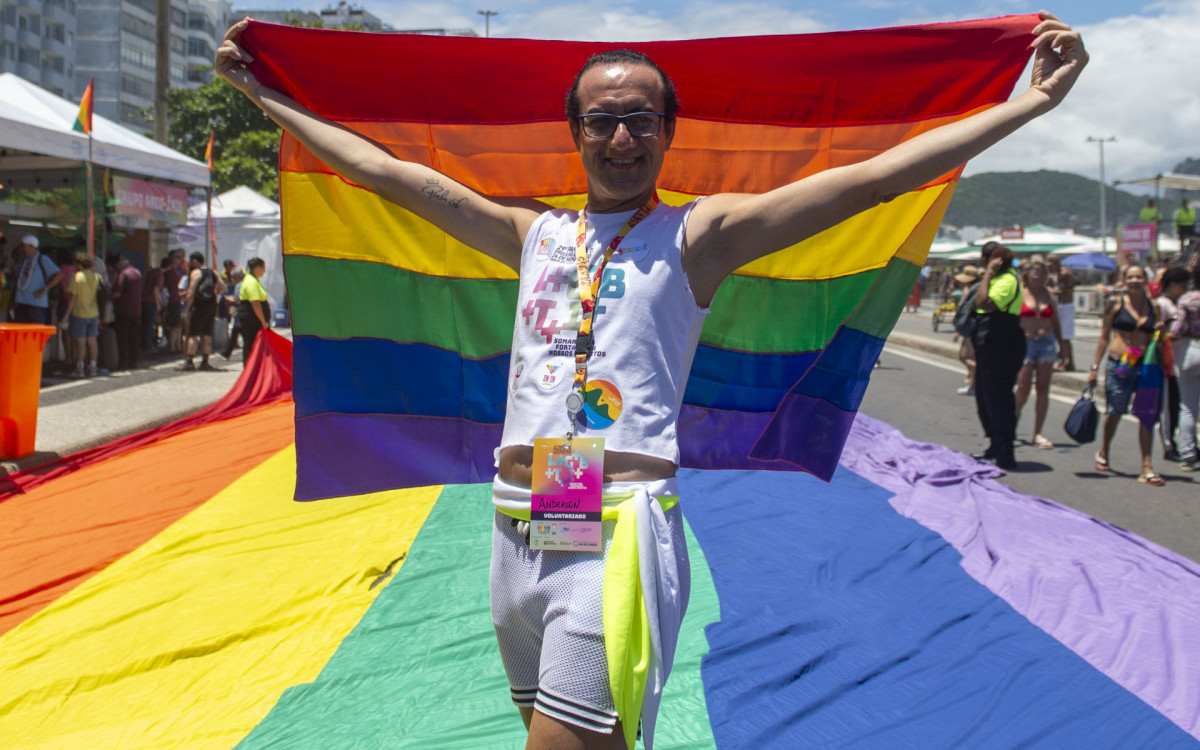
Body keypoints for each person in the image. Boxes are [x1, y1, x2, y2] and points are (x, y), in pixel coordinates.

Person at [217, 13, 1086, 749]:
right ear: (577, 133)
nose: (621, 136)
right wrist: (267, 100)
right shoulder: (533, 236)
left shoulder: (698, 236)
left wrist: (1028, 107)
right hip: (515, 531)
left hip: (616, 533)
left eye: (640, 119)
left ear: (670, 130)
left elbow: (869, 180)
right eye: (602, 121)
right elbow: (388, 174)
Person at [1087, 264, 1164, 485]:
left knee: (1147, 414)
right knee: (1115, 411)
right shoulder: (1115, 303)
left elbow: (1156, 338)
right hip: (1118, 366)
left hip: (1145, 367)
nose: (1134, 281)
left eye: (1139, 277)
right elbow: (1104, 336)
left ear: (1145, 280)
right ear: (1124, 280)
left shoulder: (1154, 307)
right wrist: (1094, 368)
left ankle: (1147, 466)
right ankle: (1103, 450)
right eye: (1130, 277)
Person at [970, 242, 1024, 469]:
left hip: (1003, 342)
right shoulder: (996, 279)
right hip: (988, 341)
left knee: (1000, 398)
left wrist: (988, 273)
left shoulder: (1007, 280)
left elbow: (983, 302)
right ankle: (994, 444)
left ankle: (1006, 451)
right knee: (985, 397)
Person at [1014, 260, 1063, 450]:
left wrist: (1063, 346)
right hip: (1025, 343)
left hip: (1046, 343)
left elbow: (1056, 321)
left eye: (1042, 274)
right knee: (1023, 388)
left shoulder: (1048, 294)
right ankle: (1012, 426)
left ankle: (1038, 432)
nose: (1039, 277)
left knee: (1043, 389)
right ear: (1027, 274)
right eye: (1035, 273)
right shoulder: (1019, 293)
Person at [1157, 266, 1190, 461]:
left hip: (1183, 361)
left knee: (1185, 406)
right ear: (1171, 284)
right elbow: (1157, 334)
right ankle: (1169, 445)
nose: (1186, 287)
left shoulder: (1183, 302)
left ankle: (1187, 443)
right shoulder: (1162, 304)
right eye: (1182, 284)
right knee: (1169, 407)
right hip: (1168, 362)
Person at [1171, 263, 1200, 471]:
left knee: (1188, 407)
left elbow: (1177, 330)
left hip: (1191, 349)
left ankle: (1188, 453)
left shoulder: (1187, 299)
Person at [59, 253, 103, 377]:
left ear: (79, 264)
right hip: (94, 312)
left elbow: (72, 297)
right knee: (92, 340)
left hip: (79, 313)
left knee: (80, 342)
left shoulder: (77, 277)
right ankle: (93, 367)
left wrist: (66, 316)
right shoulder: (96, 277)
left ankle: (80, 368)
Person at [181, 252, 227, 371]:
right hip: (211, 305)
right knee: (207, 334)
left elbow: (191, 292)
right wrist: (215, 293)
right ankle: (205, 361)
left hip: (199, 306)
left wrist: (186, 309)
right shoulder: (213, 272)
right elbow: (223, 288)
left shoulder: (196, 273)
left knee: (193, 334)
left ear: (195, 261)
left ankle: (189, 361)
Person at [10, 235, 61, 325]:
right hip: (21, 303)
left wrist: (44, 289)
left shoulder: (42, 259)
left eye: (23, 246)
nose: (22, 249)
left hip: (36, 304)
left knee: (35, 331)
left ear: (32, 246)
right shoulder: (23, 260)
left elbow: (58, 275)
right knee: (21, 330)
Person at [107, 254, 142, 371]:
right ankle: (134, 361)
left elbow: (117, 293)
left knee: (122, 338)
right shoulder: (137, 272)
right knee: (134, 338)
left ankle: (123, 363)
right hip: (136, 310)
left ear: (119, 263)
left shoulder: (123, 274)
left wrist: (106, 298)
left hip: (124, 310)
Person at [952, 264, 979, 396]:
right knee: (969, 356)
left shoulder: (969, 291)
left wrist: (958, 330)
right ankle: (971, 382)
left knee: (964, 356)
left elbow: (965, 312)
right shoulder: (976, 289)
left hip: (969, 327)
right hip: (972, 327)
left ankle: (974, 383)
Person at [1046, 255, 1076, 370]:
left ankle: (1066, 362)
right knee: (1062, 336)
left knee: (1064, 336)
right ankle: (1067, 361)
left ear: (1056, 263)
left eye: (1050, 265)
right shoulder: (1057, 274)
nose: (1049, 268)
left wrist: (1049, 290)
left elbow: (1062, 291)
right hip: (1062, 306)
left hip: (1065, 306)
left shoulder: (1064, 274)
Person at [237, 259, 270, 359]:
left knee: (254, 344)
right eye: (263, 268)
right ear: (257, 268)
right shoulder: (251, 281)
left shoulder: (253, 280)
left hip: (253, 318)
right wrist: (263, 321)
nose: (264, 271)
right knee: (251, 343)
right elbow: (255, 303)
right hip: (252, 319)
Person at [164, 251, 187, 353]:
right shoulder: (171, 271)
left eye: (181, 257)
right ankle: (172, 347)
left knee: (179, 325)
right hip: (173, 300)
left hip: (179, 300)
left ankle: (178, 345)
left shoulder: (181, 270)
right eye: (178, 257)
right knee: (174, 325)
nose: (180, 259)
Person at [222, 268, 246, 359]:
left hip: (239, 313)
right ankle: (227, 353)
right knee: (235, 334)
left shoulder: (239, 285)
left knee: (240, 334)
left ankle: (227, 353)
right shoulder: (241, 284)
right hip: (239, 315)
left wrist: (230, 300)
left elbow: (239, 300)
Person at [142, 255, 164, 351]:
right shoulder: (159, 274)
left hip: (145, 301)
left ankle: (147, 343)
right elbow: (155, 290)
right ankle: (148, 345)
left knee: (148, 324)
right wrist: (158, 304)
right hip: (151, 302)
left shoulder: (153, 272)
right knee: (150, 324)